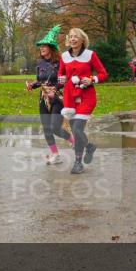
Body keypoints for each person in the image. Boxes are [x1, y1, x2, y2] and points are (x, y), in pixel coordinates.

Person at [58, 28, 108, 174]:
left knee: (77, 128)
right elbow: (61, 73)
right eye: (71, 37)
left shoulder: (90, 55)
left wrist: (92, 79)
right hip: (71, 98)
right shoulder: (64, 56)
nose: (73, 39)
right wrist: (61, 79)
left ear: (82, 40)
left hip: (87, 96)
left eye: (76, 37)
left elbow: (103, 74)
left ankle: (78, 162)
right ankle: (89, 146)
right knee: (75, 129)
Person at [26, 25, 73, 164]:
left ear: (51, 48)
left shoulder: (60, 63)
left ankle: (73, 140)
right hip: (43, 98)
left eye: (44, 46)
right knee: (46, 128)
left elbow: (65, 80)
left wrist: (55, 88)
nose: (41, 48)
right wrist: (32, 85)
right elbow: (40, 81)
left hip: (57, 97)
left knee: (55, 128)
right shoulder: (40, 63)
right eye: (40, 46)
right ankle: (55, 155)